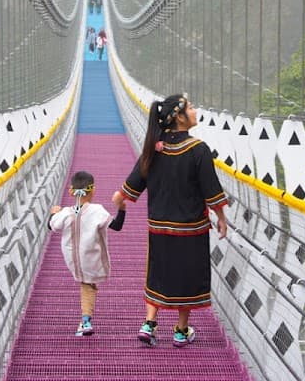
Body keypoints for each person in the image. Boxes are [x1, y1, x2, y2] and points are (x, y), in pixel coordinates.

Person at [112, 94, 230, 347]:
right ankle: (180, 330)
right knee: (186, 277)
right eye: (191, 107)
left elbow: (134, 183)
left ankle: (149, 323)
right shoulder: (198, 150)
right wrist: (221, 218)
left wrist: (121, 197)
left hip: (159, 227)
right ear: (179, 116)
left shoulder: (154, 148)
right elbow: (211, 189)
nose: (196, 110)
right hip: (191, 229)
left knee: (158, 273)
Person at [49, 170, 126, 336]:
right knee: (88, 286)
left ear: (71, 191)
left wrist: (54, 212)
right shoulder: (97, 211)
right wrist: (122, 209)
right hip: (92, 258)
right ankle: (85, 321)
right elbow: (117, 226)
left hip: (73, 260)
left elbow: (52, 226)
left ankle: (85, 321)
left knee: (87, 286)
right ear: (93, 190)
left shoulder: (66, 212)